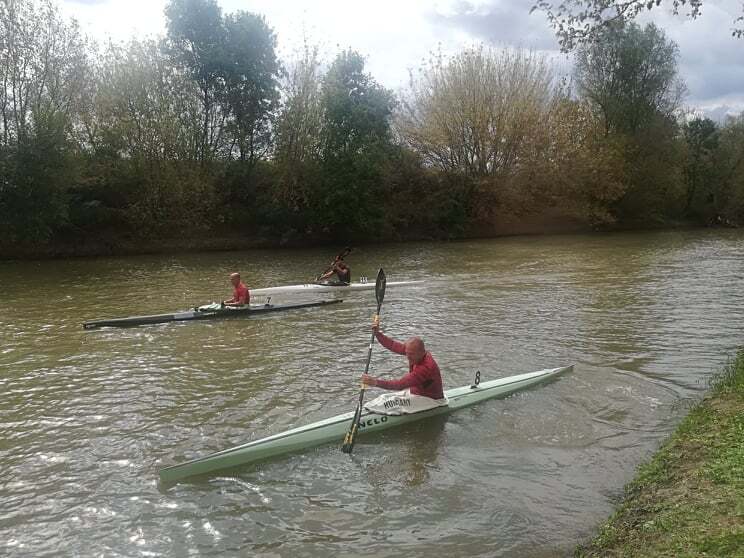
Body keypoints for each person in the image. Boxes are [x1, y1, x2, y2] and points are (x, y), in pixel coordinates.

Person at [361, 315, 444, 400]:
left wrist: (375, 382)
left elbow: (400, 385)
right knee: (384, 398)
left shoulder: (425, 368)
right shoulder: (413, 351)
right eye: (407, 353)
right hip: (416, 393)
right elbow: (392, 345)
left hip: (430, 399)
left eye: (411, 355)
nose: (408, 357)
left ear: (422, 352)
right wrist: (378, 334)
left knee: (390, 403)